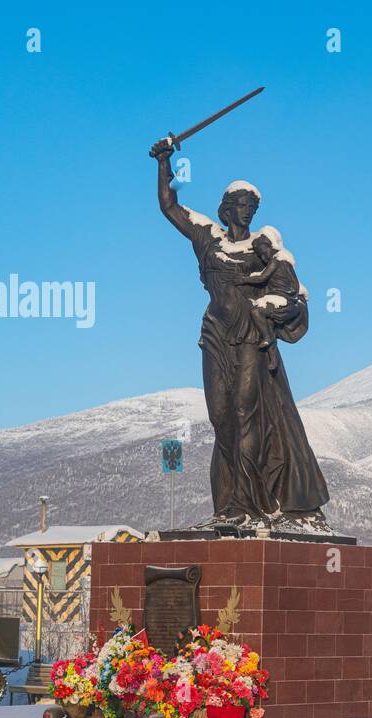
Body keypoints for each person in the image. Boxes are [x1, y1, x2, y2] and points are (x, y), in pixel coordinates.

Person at [149, 137, 331, 531]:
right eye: (240, 205)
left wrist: (283, 305)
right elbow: (169, 206)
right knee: (220, 417)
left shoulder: (263, 248)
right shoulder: (207, 238)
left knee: (244, 413)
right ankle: (229, 503)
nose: (246, 212)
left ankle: (246, 505)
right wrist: (165, 161)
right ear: (225, 208)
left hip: (249, 334)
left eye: (252, 206)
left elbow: (289, 289)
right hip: (215, 334)